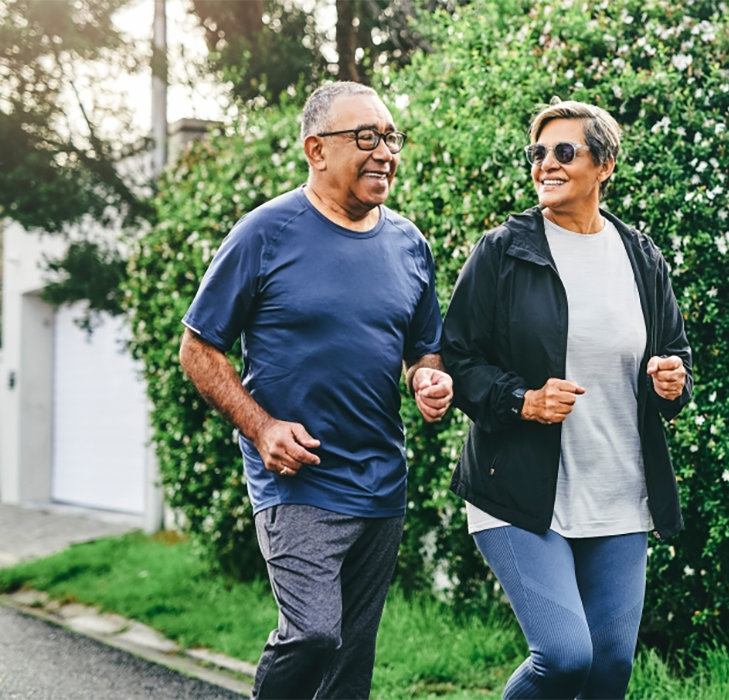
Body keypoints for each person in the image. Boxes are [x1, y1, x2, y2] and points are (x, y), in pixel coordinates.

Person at [178, 81, 452, 700]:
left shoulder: (410, 244)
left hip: (382, 478)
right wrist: (261, 426)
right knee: (312, 635)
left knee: (351, 665)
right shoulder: (265, 233)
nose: (384, 151)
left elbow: (421, 350)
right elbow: (198, 349)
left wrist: (428, 379)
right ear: (316, 150)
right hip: (296, 477)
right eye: (365, 137)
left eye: (390, 137)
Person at [441, 100, 693, 699]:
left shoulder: (641, 256)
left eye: (563, 152)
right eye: (537, 153)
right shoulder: (503, 251)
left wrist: (672, 382)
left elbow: (677, 355)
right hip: (520, 492)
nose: (545, 165)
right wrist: (522, 399)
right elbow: (458, 359)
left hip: (617, 494)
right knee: (564, 657)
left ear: (604, 164)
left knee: (608, 669)